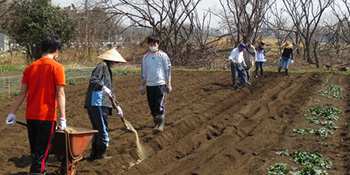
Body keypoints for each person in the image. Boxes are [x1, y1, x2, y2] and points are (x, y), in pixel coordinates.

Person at [5, 35, 66, 175]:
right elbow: (60, 94)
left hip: (31, 117)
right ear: (56, 50)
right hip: (47, 118)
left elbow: (22, 94)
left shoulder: (30, 68)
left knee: (36, 153)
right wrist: (63, 118)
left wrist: (12, 113)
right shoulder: (57, 68)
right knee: (41, 157)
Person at [85, 48, 126, 160]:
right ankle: (101, 154)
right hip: (97, 102)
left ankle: (94, 154)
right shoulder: (102, 66)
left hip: (98, 102)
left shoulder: (107, 70)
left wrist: (117, 106)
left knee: (97, 129)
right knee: (102, 130)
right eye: (115, 62)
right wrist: (102, 87)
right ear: (111, 60)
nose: (116, 64)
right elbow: (94, 80)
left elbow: (110, 91)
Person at [140, 35, 172, 132]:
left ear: (158, 44)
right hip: (150, 85)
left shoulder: (163, 56)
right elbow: (144, 72)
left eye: (154, 44)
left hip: (160, 84)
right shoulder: (145, 57)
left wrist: (169, 84)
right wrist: (142, 85)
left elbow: (168, 70)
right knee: (152, 106)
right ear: (148, 45)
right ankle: (156, 123)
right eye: (150, 44)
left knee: (159, 104)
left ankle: (160, 125)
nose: (152, 46)